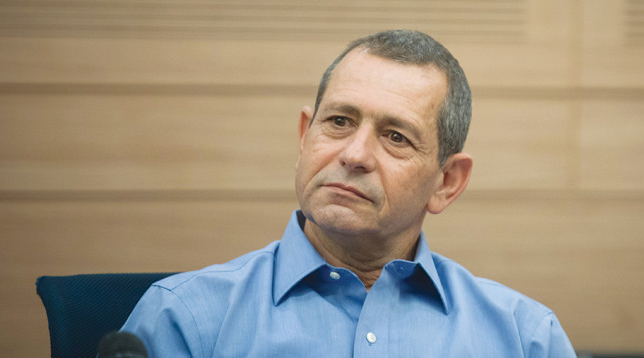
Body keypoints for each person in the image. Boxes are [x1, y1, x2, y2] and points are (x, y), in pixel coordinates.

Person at [121, 30, 577, 357]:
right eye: (339, 121)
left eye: (396, 137)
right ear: (305, 137)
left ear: (446, 182)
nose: (354, 155)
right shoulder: (184, 319)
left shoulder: (525, 338)